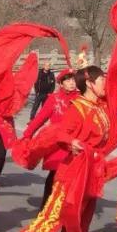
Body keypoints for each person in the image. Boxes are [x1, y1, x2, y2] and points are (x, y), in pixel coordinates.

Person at [0, 66, 116, 232]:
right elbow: (60, 133)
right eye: (102, 79)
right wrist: (71, 142)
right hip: (72, 174)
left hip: (92, 173)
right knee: (52, 219)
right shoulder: (78, 108)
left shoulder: (101, 106)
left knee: (79, 223)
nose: (106, 83)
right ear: (89, 83)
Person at [21, 69, 77, 207]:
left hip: (74, 142)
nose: (72, 83)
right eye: (68, 80)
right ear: (61, 83)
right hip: (56, 142)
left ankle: (64, 207)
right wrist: (27, 134)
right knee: (55, 173)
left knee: (72, 175)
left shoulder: (80, 99)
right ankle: (45, 206)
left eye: (73, 80)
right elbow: (40, 118)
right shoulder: (54, 99)